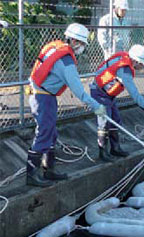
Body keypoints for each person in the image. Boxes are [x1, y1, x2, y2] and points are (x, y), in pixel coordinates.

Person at [28, 23, 106, 187]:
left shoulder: (57, 48)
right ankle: (32, 175)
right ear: (75, 41)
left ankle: (49, 169)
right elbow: (80, 92)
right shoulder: (66, 62)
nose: (83, 47)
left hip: (44, 95)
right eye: (83, 43)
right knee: (44, 132)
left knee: (51, 133)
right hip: (43, 97)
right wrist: (96, 106)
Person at [90, 45, 144, 162]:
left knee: (116, 120)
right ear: (135, 60)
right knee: (104, 122)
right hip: (98, 94)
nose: (142, 66)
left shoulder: (125, 59)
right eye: (141, 63)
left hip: (109, 96)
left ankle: (115, 148)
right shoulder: (124, 70)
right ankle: (102, 152)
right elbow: (134, 93)